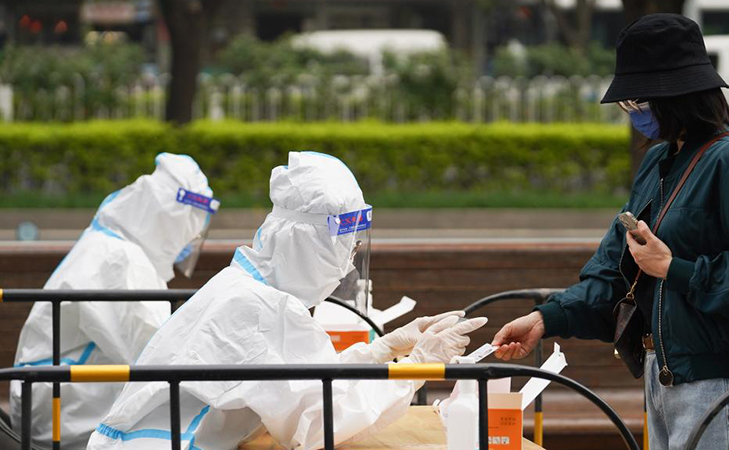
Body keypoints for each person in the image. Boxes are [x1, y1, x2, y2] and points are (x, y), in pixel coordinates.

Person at [492, 14, 729, 450]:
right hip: (663, 381)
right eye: (629, 105)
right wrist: (547, 318)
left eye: (640, 102)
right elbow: (614, 275)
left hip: (722, 388)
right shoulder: (657, 166)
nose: (635, 113)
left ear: (677, 95)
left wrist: (674, 269)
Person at [87, 151, 487, 450]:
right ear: (308, 246)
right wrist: (416, 367)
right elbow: (319, 423)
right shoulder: (264, 309)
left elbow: (306, 379)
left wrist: (380, 351)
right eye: (344, 247)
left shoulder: (245, 287)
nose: (348, 264)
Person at [11, 153, 217, 450]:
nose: (186, 245)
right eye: (188, 232)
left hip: (55, 409)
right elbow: (158, 355)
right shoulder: (119, 261)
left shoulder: (113, 247)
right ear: (169, 223)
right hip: (64, 422)